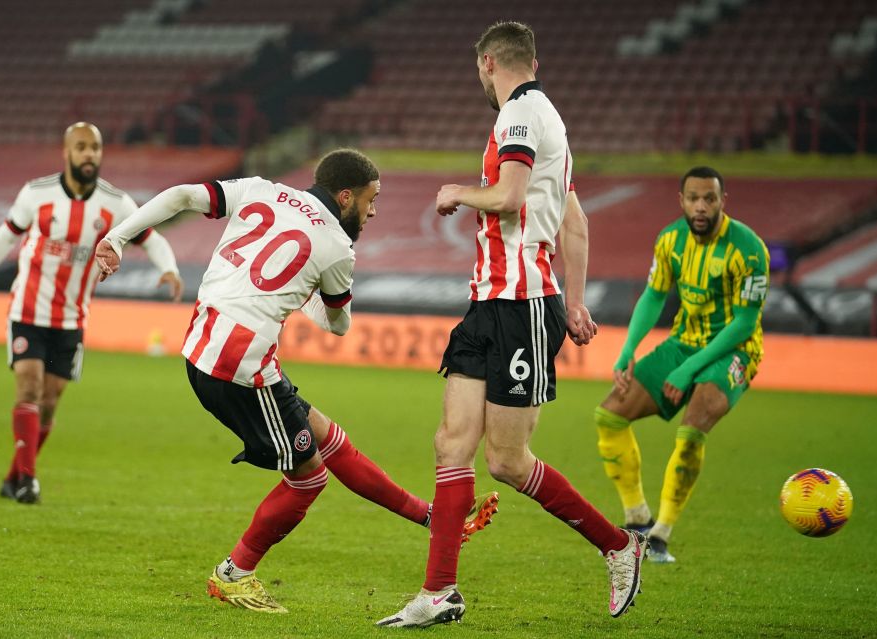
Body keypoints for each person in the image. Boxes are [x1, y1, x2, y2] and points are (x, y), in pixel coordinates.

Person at [94, 148, 499, 614]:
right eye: (371, 200)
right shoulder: (336, 248)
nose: (373, 211)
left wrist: (118, 239)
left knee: (326, 437)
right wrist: (306, 293)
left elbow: (185, 195)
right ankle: (235, 574)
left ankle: (431, 518)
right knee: (307, 478)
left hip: (209, 343)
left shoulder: (261, 189)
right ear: (345, 196)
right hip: (239, 366)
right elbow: (339, 325)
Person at [377, 22, 646, 629]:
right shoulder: (550, 119)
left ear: (489, 61)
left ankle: (618, 546)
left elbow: (508, 197)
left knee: (508, 460)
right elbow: (573, 222)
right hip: (493, 303)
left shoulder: (519, 116)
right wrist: (575, 303)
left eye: (479, 68)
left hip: (521, 306)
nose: (479, 77)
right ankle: (439, 591)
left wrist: (456, 192)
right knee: (451, 444)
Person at [0, 122, 183, 505]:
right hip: (27, 310)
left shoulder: (116, 204)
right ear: (66, 153)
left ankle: (14, 476)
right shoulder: (36, 194)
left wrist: (168, 268)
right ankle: (29, 482)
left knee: (50, 401)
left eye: (95, 148)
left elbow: (150, 237)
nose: (89, 154)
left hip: (72, 318)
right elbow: (3, 237)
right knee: (29, 387)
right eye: (82, 147)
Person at [594, 166, 769, 563]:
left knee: (691, 431)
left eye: (710, 198)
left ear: (724, 201)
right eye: (694, 198)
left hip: (734, 352)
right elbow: (654, 296)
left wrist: (688, 371)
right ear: (682, 201)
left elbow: (744, 322)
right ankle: (638, 518)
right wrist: (627, 350)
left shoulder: (750, 249)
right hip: (682, 343)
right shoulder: (670, 240)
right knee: (610, 416)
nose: (701, 206)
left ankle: (661, 535)